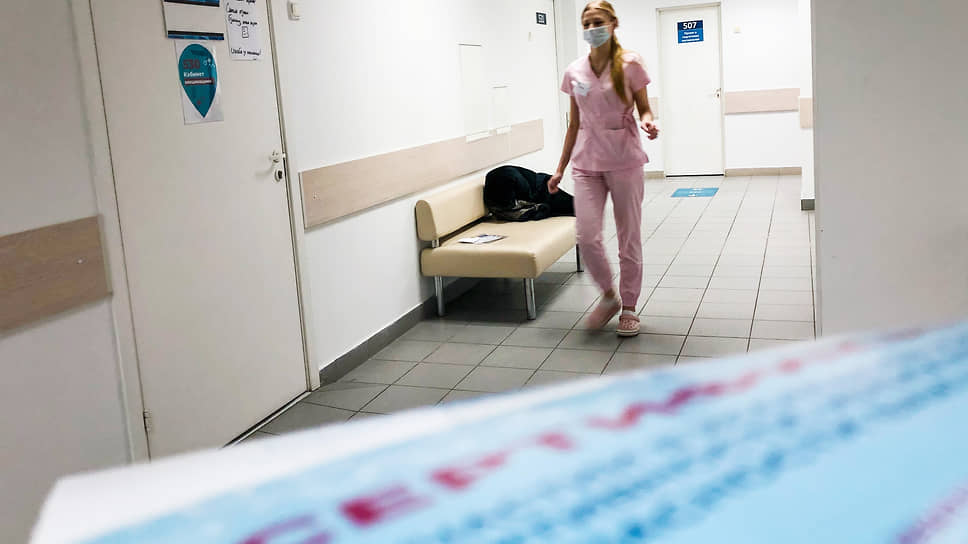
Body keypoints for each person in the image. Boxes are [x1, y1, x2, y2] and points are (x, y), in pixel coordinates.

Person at [548, 0, 659, 337]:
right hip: (586, 163)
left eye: (598, 22)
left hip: (625, 160)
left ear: (613, 24)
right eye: (587, 23)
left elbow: (644, 108)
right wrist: (559, 168)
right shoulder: (574, 71)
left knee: (629, 238)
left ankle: (629, 307)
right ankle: (609, 296)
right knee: (587, 236)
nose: (592, 28)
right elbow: (574, 123)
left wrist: (648, 122)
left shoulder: (630, 64)